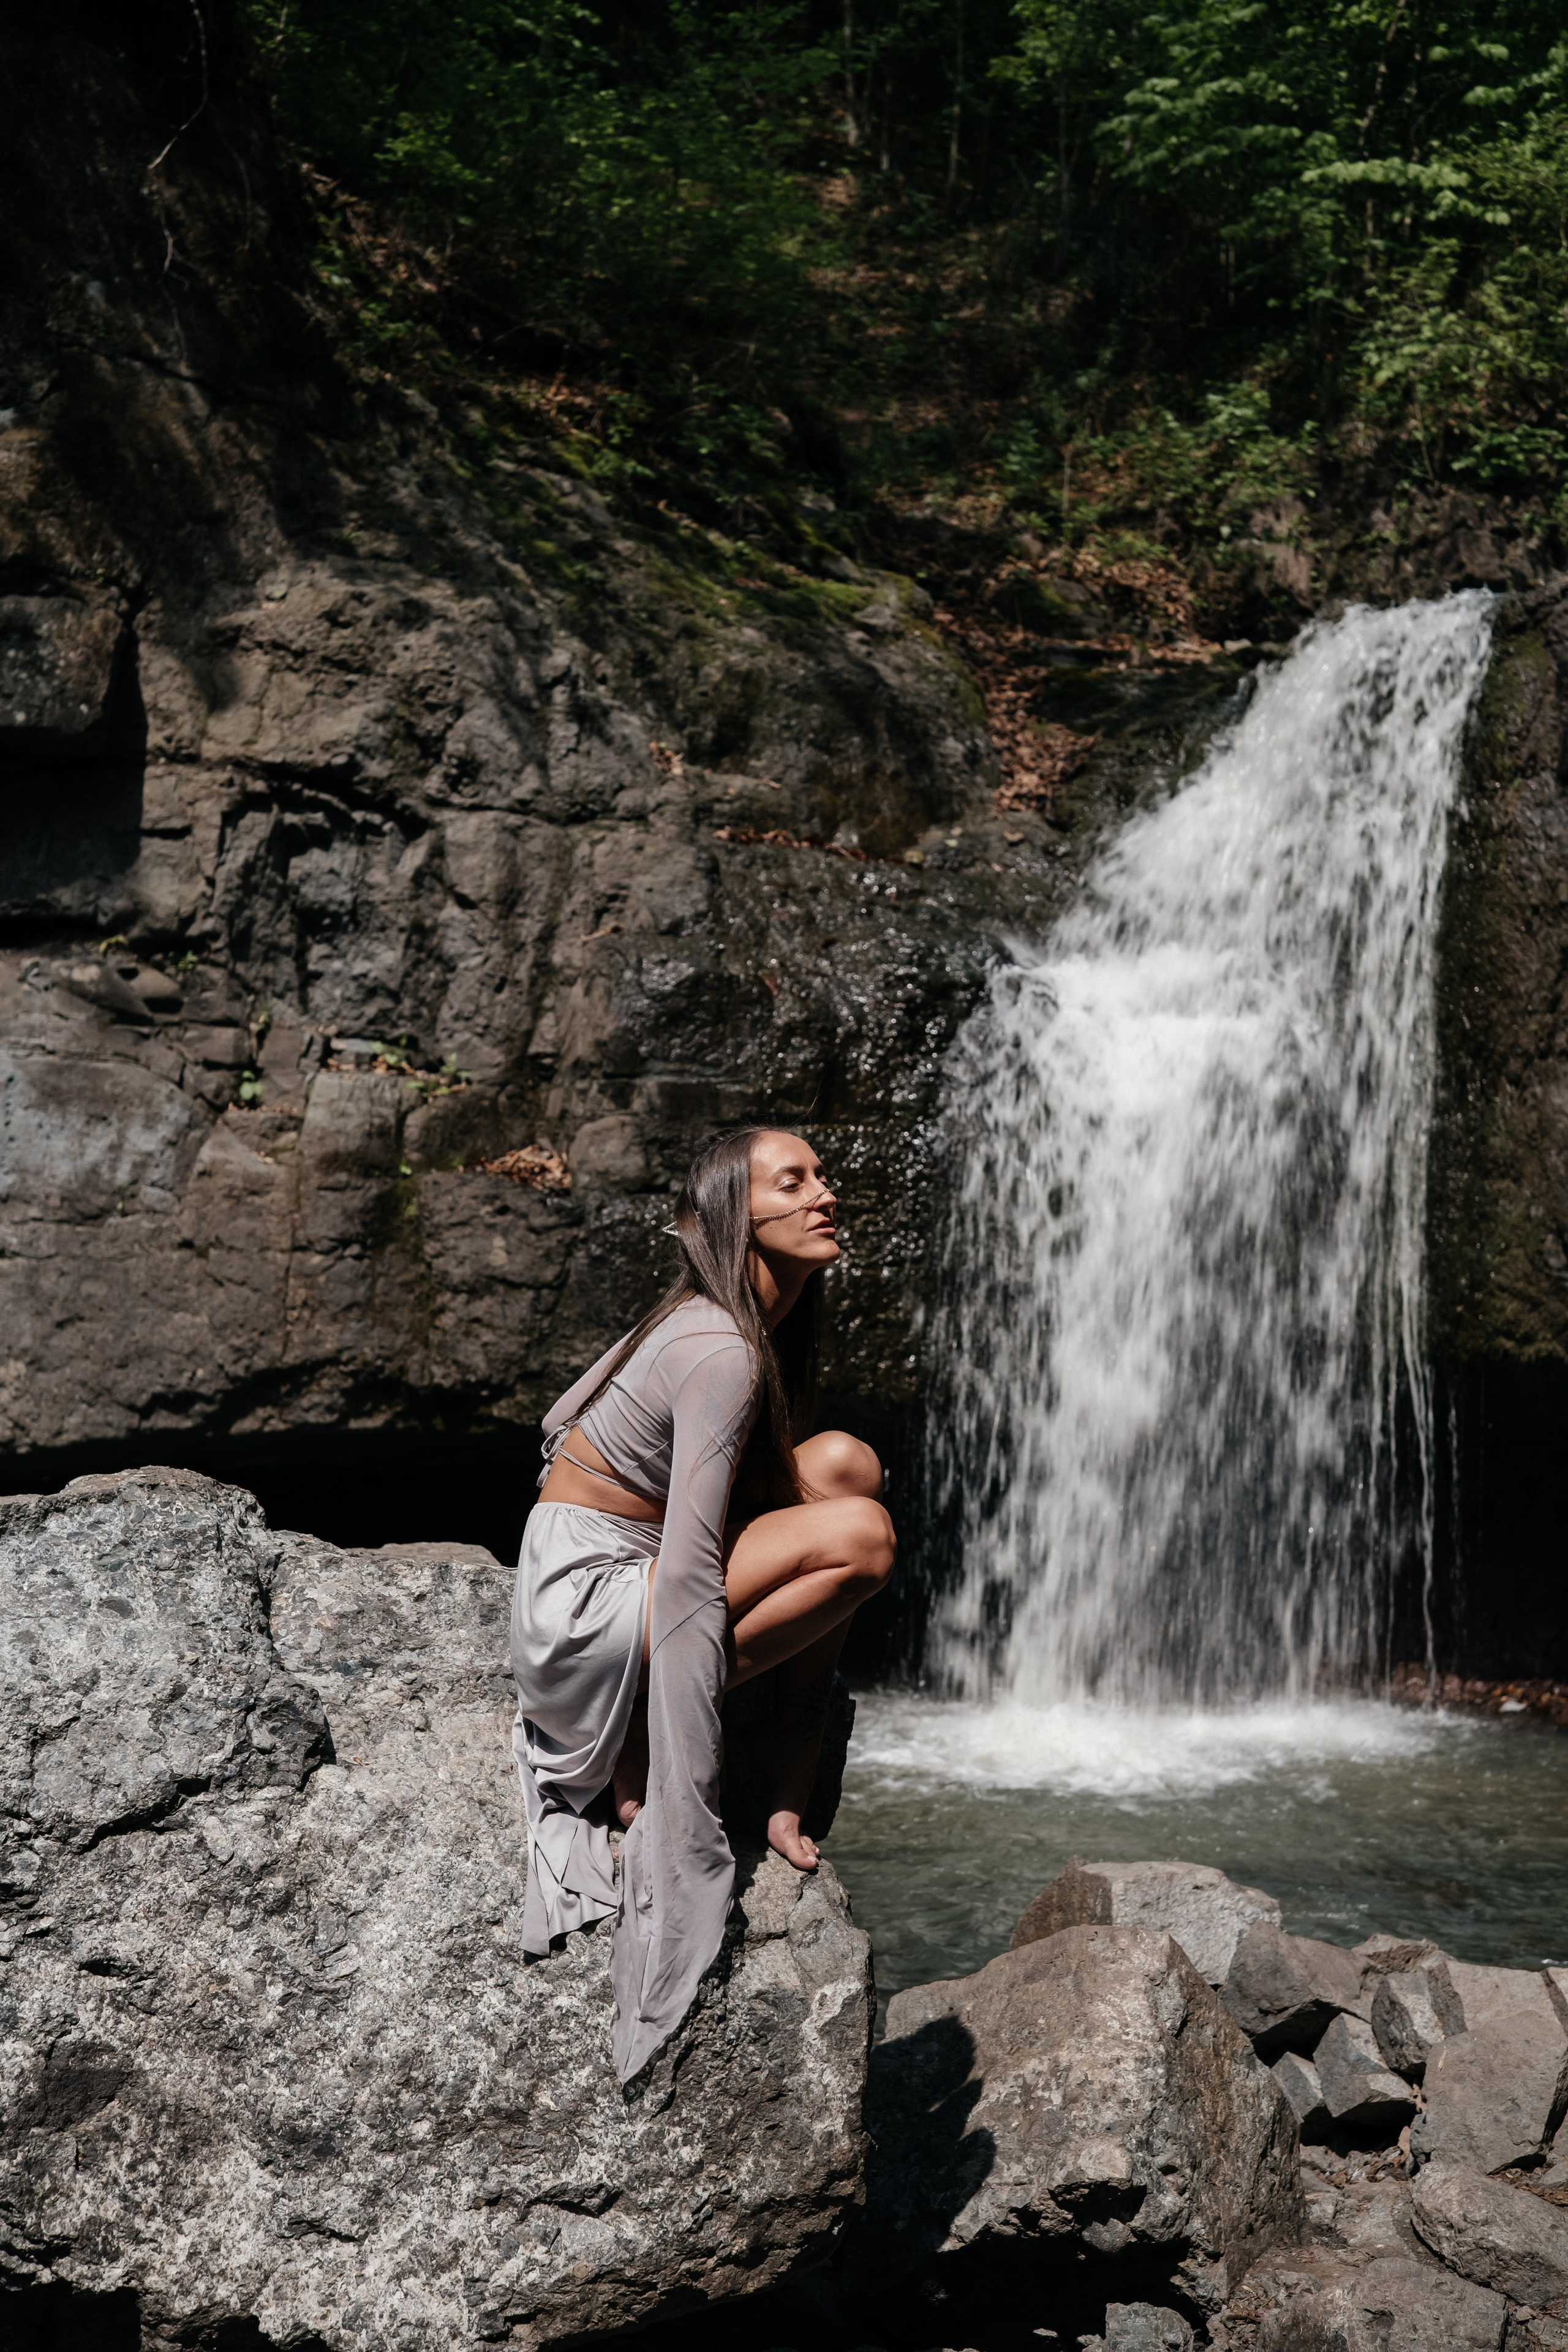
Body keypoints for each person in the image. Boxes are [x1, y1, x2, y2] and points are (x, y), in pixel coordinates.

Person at [509, 1125, 895, 2082]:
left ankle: (787, 1735)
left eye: (823, 1174)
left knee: (849, 1465)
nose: (825, 1194)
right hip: (592, 1600)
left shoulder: (748, 1323)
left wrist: (792, 1771)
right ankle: (647, 1714)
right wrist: (679, 1767)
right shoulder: (718, 1343)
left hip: (624, 1563)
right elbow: (686, 1573)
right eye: (794, 1182)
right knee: (863, 1535)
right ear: (738, 1214)